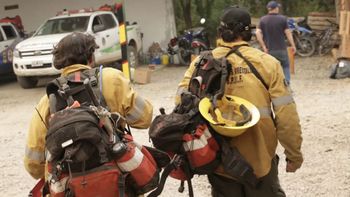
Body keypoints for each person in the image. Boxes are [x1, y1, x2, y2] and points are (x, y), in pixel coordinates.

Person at [176, 6, 303, 197]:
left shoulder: (201, 63)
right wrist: (293, 155)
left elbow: (180, 101)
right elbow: (287, 115)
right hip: (260, 160)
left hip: (219, 160)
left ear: (221, 32)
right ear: (249, 33)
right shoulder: (268, 63)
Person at [24, 32, 153, 180]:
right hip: (118, 182)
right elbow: (144, 119)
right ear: (91, 57)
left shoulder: (48, 99)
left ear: (59, 63)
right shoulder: (112, 78)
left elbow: (33, 165)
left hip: (72, 188)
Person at [256, 1, 296, 84]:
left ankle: (273, 86)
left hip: (269, 50)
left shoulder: (263, 19)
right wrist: (293, 45)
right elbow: (288, 33)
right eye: (278, 7)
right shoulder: (282, 19)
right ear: (276, 8)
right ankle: (286, 84)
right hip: (281, 49)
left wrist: (263, 46)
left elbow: (257, 32)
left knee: (271, 69)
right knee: (285, 66)